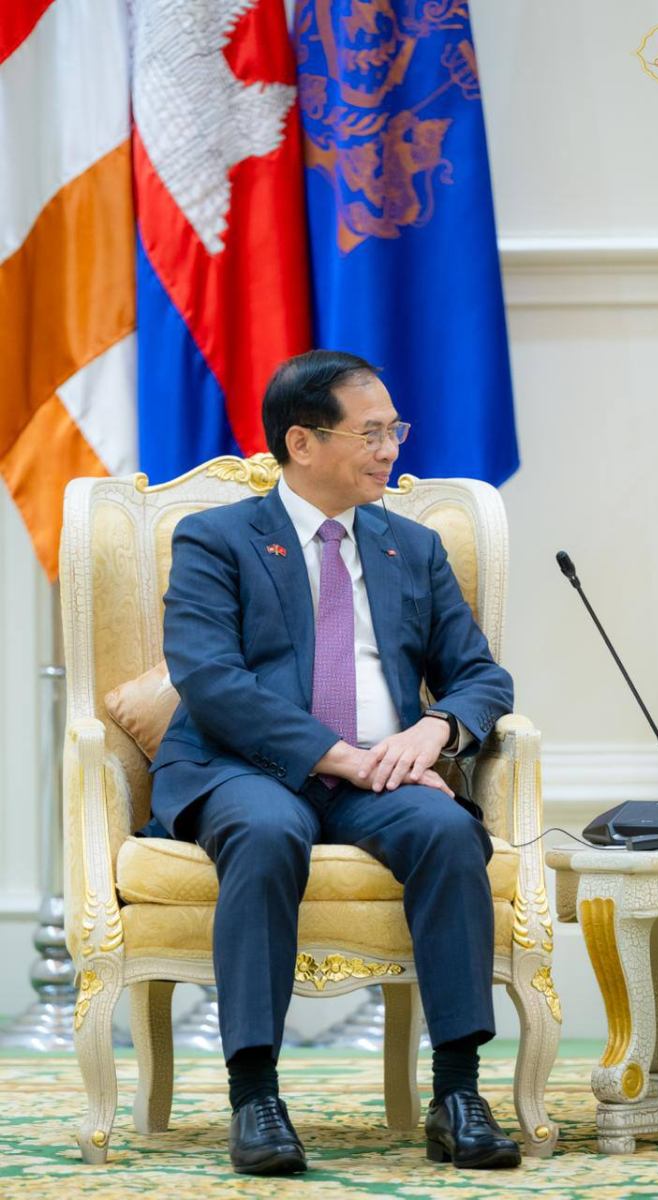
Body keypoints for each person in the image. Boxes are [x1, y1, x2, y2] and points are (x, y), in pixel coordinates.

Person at [150, 349, 520, 1175]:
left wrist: (436, 731)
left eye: (394, 430)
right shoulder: (216, 539)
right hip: (242, 766)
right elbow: (210, 680)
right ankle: (255, 1097)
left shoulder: (411, 547)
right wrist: (336, 756)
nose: (390, 450)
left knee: (447, 833)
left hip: (382, 774)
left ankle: (458, 1094)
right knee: (264, 832)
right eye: (370, 433)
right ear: (302, 442)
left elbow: (480, 676)